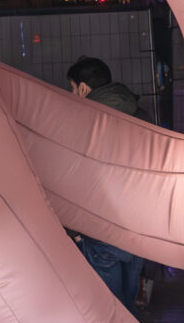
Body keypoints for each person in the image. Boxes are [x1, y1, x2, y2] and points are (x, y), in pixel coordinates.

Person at [63, 57, 153, 306]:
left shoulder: (84, 121)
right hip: (138, 231)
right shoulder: (141, 114)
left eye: (72, 88)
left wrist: (75, 233)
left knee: (110, 310)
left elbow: (73, 177)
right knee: (128, 308)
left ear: (83, 88)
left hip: (100, 233)